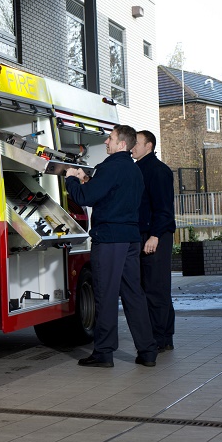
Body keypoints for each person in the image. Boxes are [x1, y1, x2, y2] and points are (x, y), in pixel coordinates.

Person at [65, 125, 159, 368]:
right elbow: (111, 195)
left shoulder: (110, 167)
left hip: (109, 239)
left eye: (110, 138)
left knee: (105, 294)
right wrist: (88, 181)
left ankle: (104, 352)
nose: (106, 141)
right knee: (133, 294)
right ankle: (148, 351)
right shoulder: (133, 170)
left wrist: (70, 180)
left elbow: (85, 197)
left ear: (121, 144)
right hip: (130, 237)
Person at [131, 130, 177, 352]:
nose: (132, 147)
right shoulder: (139, 169)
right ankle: (165, 336)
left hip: (155, 235)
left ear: (148, 145)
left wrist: (155, 236)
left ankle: (159, 338)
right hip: (148, 234)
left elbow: (164, 209)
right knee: (155, 286)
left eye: (136, 143)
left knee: (155, 288)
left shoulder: (158, 171)